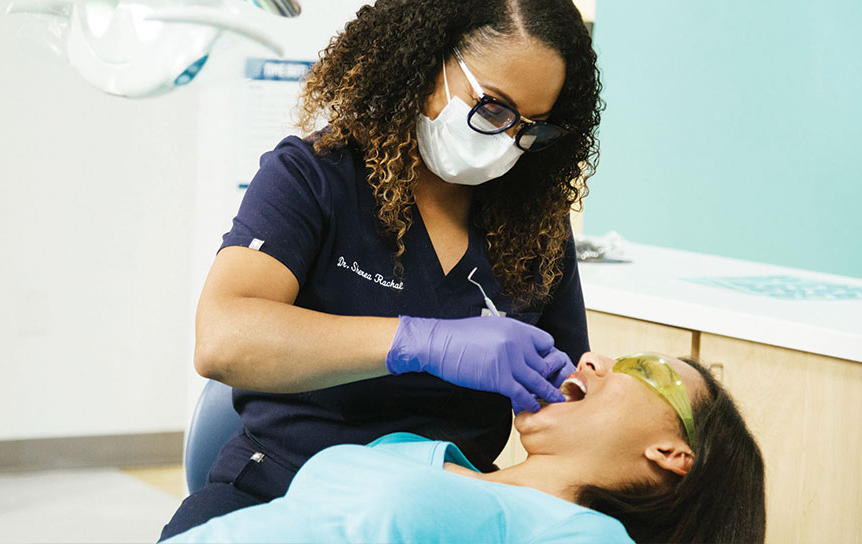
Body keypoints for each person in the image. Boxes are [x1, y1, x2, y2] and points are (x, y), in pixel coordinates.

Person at [160, 0, 602, 539]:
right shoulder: (315, 178)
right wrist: (421, 341)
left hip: (440, 511)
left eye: (530, 131)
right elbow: (223, 339)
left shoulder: (535, 226)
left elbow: (574, 401)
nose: (507, 144)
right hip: (279, 489)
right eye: (492, 110)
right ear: (428, 61)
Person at [163, 353, 766, 544]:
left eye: (644, 368)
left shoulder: (585, 536)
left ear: (671, 453)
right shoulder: (417, 452)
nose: (593, 359)